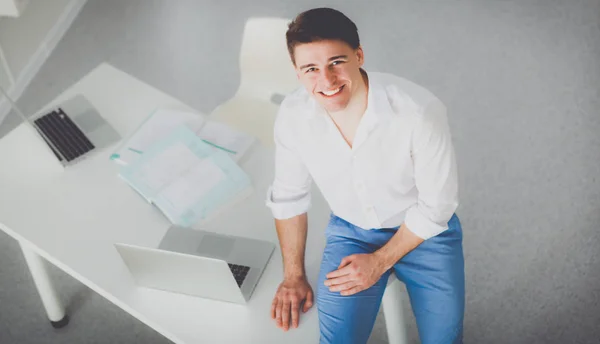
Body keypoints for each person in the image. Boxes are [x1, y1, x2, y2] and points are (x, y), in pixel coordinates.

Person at [266, 7, 464, 344]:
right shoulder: (293, 116)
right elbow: (289, 197)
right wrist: (294, 276)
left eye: (336, 62)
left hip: (425, 232)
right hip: (351, 231)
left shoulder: (419, 113)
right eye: (311, 69)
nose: (326, 81)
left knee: (443, 340)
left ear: (359, 55)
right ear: (297, 72)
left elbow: (437, 207)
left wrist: (379, 262)